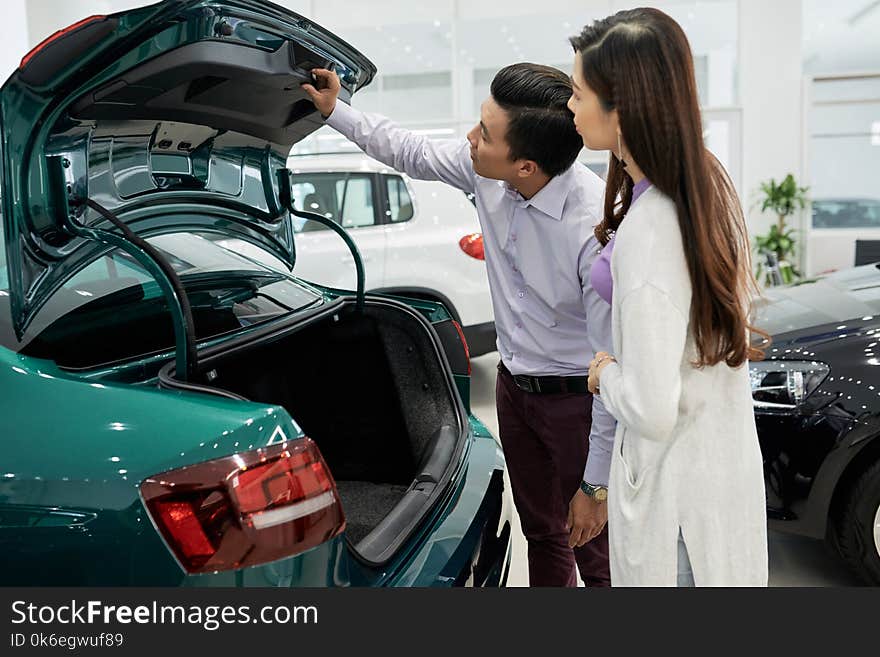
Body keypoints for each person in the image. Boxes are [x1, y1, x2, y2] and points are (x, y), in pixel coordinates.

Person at [302, 63, 615, 586]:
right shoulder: (483, 169)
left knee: (596, 548)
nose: (470, 139)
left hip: (577, 404)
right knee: (541, 533)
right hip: (515, 390)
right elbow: (409, 150)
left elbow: (614, 365)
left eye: (485, 133)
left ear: (526, 166)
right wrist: (337, 110)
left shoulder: (594, 231)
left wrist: (596, 487)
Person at [567, 8, 770, 586]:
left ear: (622, 108)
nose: (570, 107)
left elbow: (652, 410)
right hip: (712, 474)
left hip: (676, 501)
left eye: (579, 94)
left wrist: (604, 372)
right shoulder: (705, 185)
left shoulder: (652, 228)